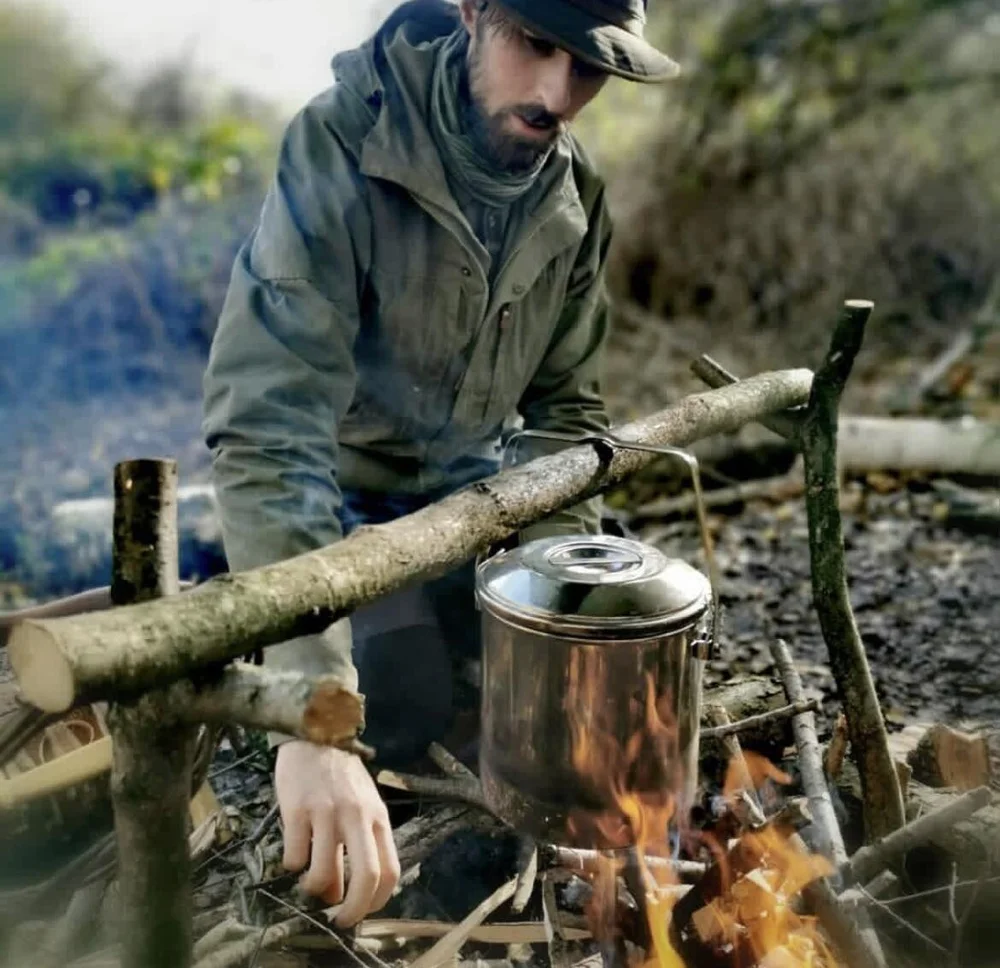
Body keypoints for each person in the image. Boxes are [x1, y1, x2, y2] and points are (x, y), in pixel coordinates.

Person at [202, 0, 679, 929]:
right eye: (534, 45)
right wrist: (310, 710)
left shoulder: (575, 191)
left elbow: (566, 418)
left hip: (479, 503)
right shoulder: (343, 140)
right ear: (471, 12)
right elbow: (270, 430)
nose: (556, 95)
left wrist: (561, 625)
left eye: (587, 67)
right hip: (336, 511)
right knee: (403, 697)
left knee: (608, 667)